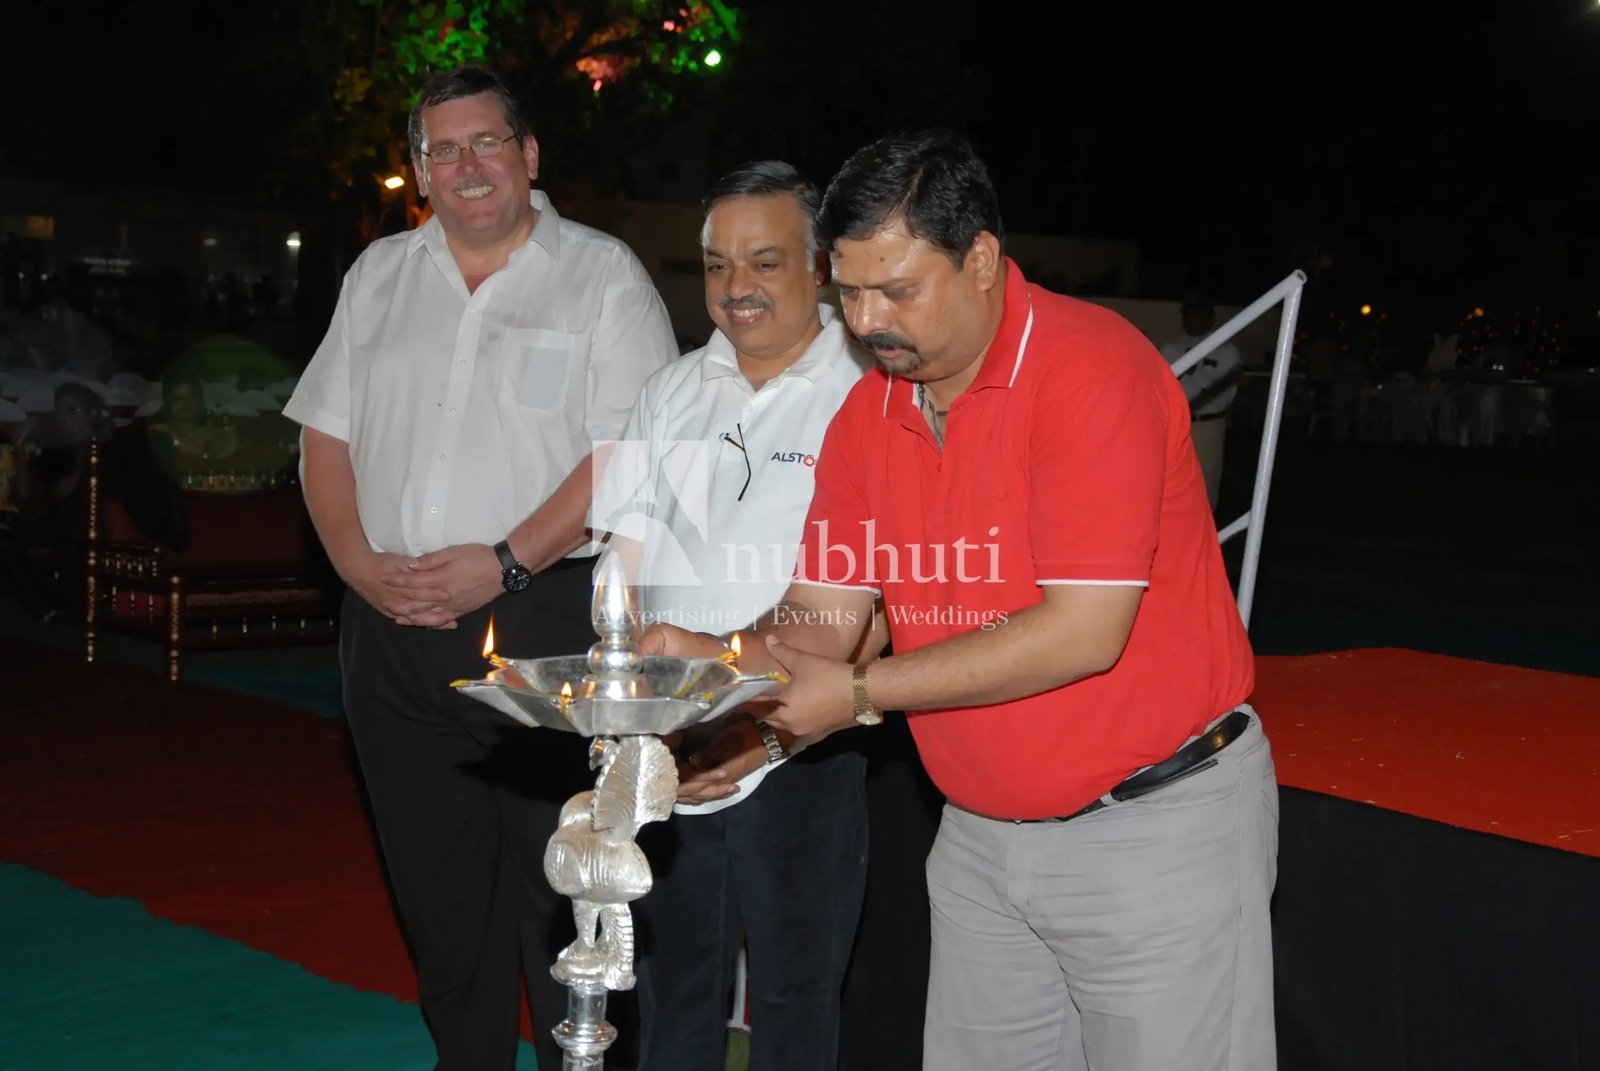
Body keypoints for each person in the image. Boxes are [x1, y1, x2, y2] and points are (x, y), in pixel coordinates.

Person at [641, 130, 1278, 1071]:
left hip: (1154, 832)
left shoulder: (1088, 368)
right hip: (980, 845)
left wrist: (855, 697)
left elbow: (1082, 632)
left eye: (898, 289)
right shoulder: (872, 413)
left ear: (982, 258)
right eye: (848, 290)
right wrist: (723, 682)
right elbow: (826, 618)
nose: (867, 320)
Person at [282, 66, 678, 1071]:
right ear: (418, 169)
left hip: (542, 626)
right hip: (388, 630)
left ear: (529, 154)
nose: (466, 167)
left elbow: (626, 455)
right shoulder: (379, 276)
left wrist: (504, 563)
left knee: (563, 899)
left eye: (486, 143)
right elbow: (324, 438)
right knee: (437, 902)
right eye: (442, 149)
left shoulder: (601, 276)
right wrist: (357, 567)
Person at [590, 161, 872, 1069]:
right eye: (717, 265)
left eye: (764, 262)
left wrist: (766, 717)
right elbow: (620, 568)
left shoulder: (870, 393)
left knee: (799, 1001)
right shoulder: (669, 390)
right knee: (671, 995)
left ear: (820, 264)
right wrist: (622, 705)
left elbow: (874, 606)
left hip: (804, 739)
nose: (737, 288)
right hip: (672, 743)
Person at [1159, 291, 1244, 510]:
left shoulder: (1226, 350)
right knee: (1170, 482)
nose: (1192, 320)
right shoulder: (1171, 348)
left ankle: (1202, 539)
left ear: (1210, 317)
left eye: (1198, 314)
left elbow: (1225, 388)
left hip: (1207, 424)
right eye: (1188, 314)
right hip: (1176, 425)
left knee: (1204, 485)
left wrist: (1195, 397)